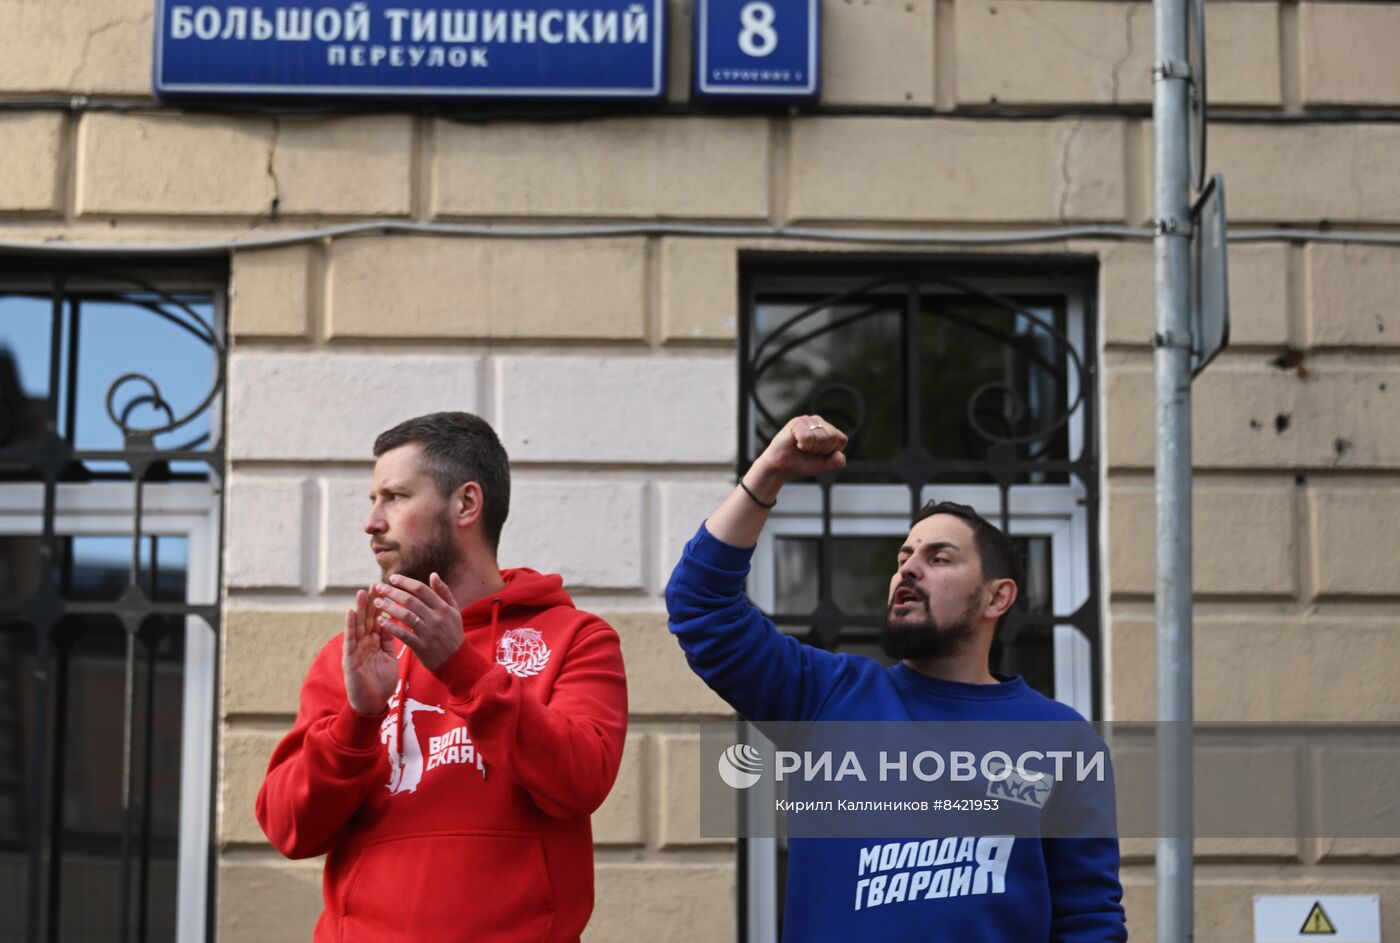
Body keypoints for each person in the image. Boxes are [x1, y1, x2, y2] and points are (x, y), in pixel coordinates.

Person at [665, 415, 1126, 941]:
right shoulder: (828, 698)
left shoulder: (1062, 739)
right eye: (903, 557)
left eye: (938, 558)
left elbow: (1089, 921)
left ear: (997, 597)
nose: (908, 569)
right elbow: (700, 604)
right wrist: (768, 474)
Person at [257, 411, 628, 942]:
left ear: (466, 504)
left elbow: (580, 780)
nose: (372, 522)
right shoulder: (356, 655)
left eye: (396, 497)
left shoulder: (575, 638)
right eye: (372, 500)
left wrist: (462, 668)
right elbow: (290, 829)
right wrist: (358, 721)